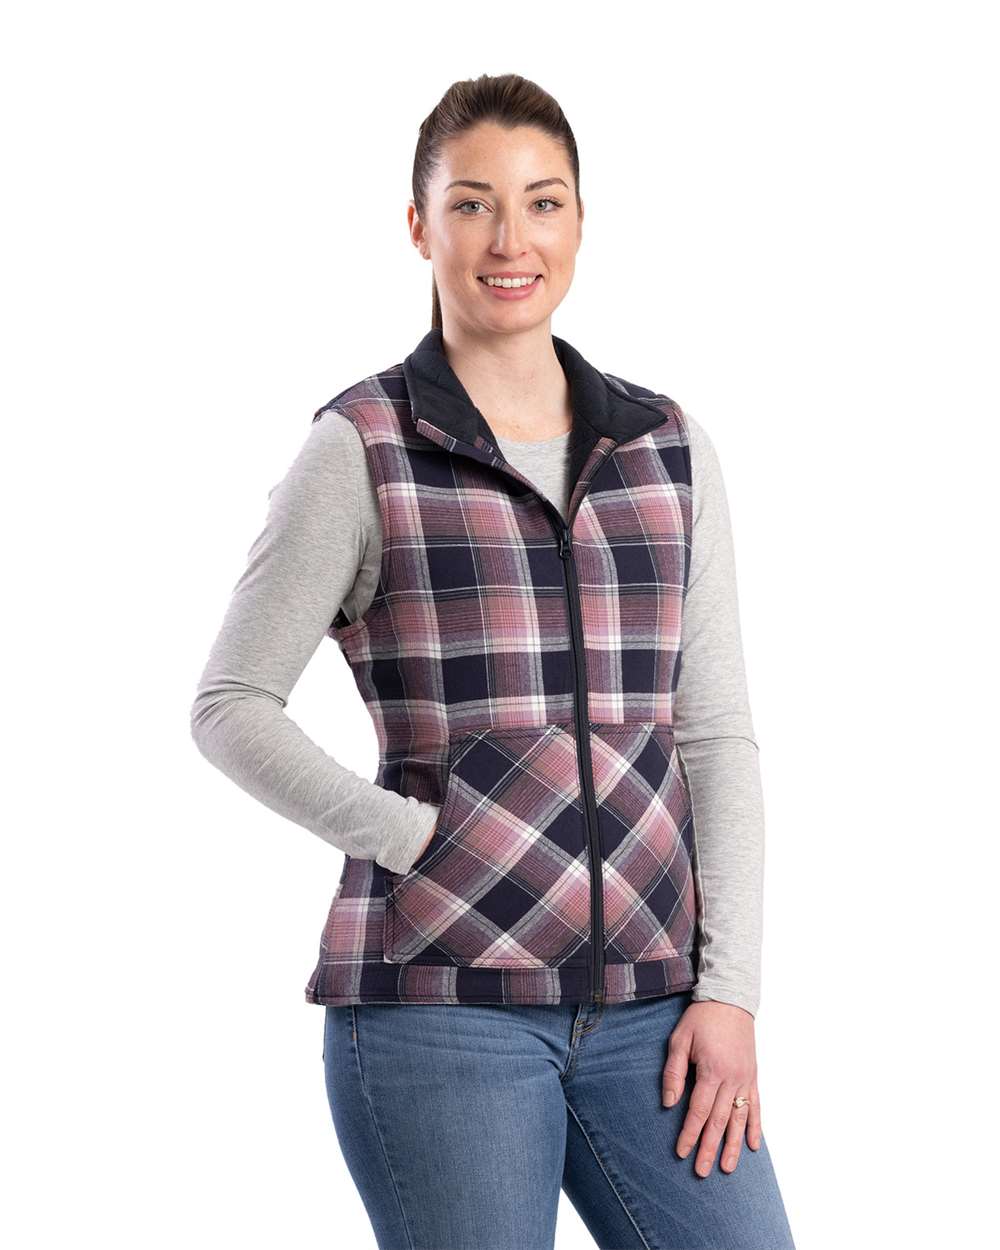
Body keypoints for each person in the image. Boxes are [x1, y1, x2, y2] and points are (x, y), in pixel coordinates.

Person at [190, 73, 796, 1250]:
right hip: (438, 1005)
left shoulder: (666, 450)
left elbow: (714, 734)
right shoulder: (363, 448)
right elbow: (230, 703)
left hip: (654, 1011)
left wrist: (729, 988)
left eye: (541, 202)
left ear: (580, 220)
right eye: (471, 204)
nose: (510, 240)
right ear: (420, 226)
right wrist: (411, 837)